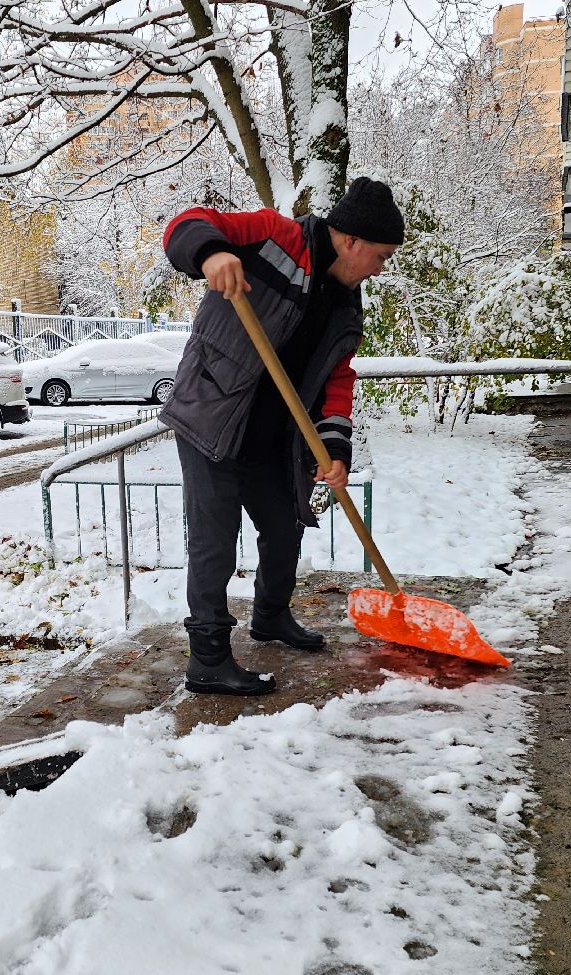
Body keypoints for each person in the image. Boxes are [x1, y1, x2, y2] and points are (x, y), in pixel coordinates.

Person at [159, 177, 405, 695]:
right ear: (351, 241)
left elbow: (337, 377)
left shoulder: (347, 305)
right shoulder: (275, 237)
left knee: (284, 526)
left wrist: (335, 447)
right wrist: (210, 255)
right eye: (380, 255)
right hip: (213, 417)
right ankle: (207, 659)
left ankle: (270, 616)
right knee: (215, 542)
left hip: (272, 436)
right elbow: (185, 226)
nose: (382, 267)